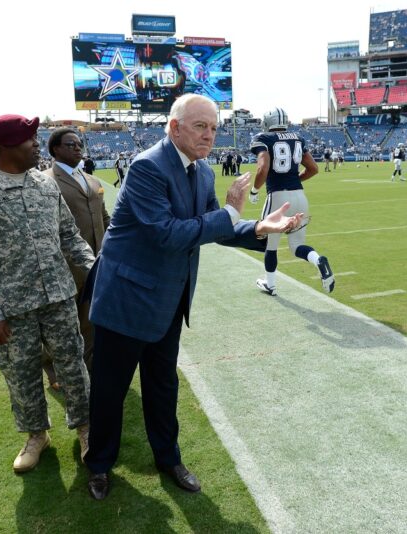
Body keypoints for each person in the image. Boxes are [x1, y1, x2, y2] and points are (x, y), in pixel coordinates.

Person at [84, 94, 304, 500]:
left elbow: (213, 228)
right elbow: (167, 234)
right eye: (201, 126)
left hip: (169, 297)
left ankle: (168, 459)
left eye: (214, 127)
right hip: (127, 299)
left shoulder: (202, 171)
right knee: (110, 390)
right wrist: (232, 214)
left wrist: (261, 228)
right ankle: (98, 464)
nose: (209, 135)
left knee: (163, 385)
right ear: (175, 127)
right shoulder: (148, 166)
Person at [0, 115, 95, 473]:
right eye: (30, 140)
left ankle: (87, 428)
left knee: (73, 365)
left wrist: (96, 270)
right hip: (11, 309)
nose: (36, 145)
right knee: (22, 374)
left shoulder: (44, 185)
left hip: (58, 297)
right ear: (8, 146)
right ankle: (36, 435)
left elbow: (69, 237)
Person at [41, 128, 111, 387]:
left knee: (90, 319)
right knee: (60, 324)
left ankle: (90, 370)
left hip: (96, 262)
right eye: (70, 144)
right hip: (63, 265)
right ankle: (52, 369)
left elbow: (104, 218)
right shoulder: (45, 181)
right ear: (55, 149)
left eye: (79, 144)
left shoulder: (91, 180)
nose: (77, 148)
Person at [249, 107, 335, 296]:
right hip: (300, 197)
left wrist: (254, 191)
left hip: (278, 198)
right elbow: (313, 168)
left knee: (270, 244)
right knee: (296, 245)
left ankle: (270, 284)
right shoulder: (297, 138)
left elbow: (262, 168)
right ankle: (318, 259)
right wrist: (294, 181)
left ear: (268, 122)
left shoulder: (263, 138)